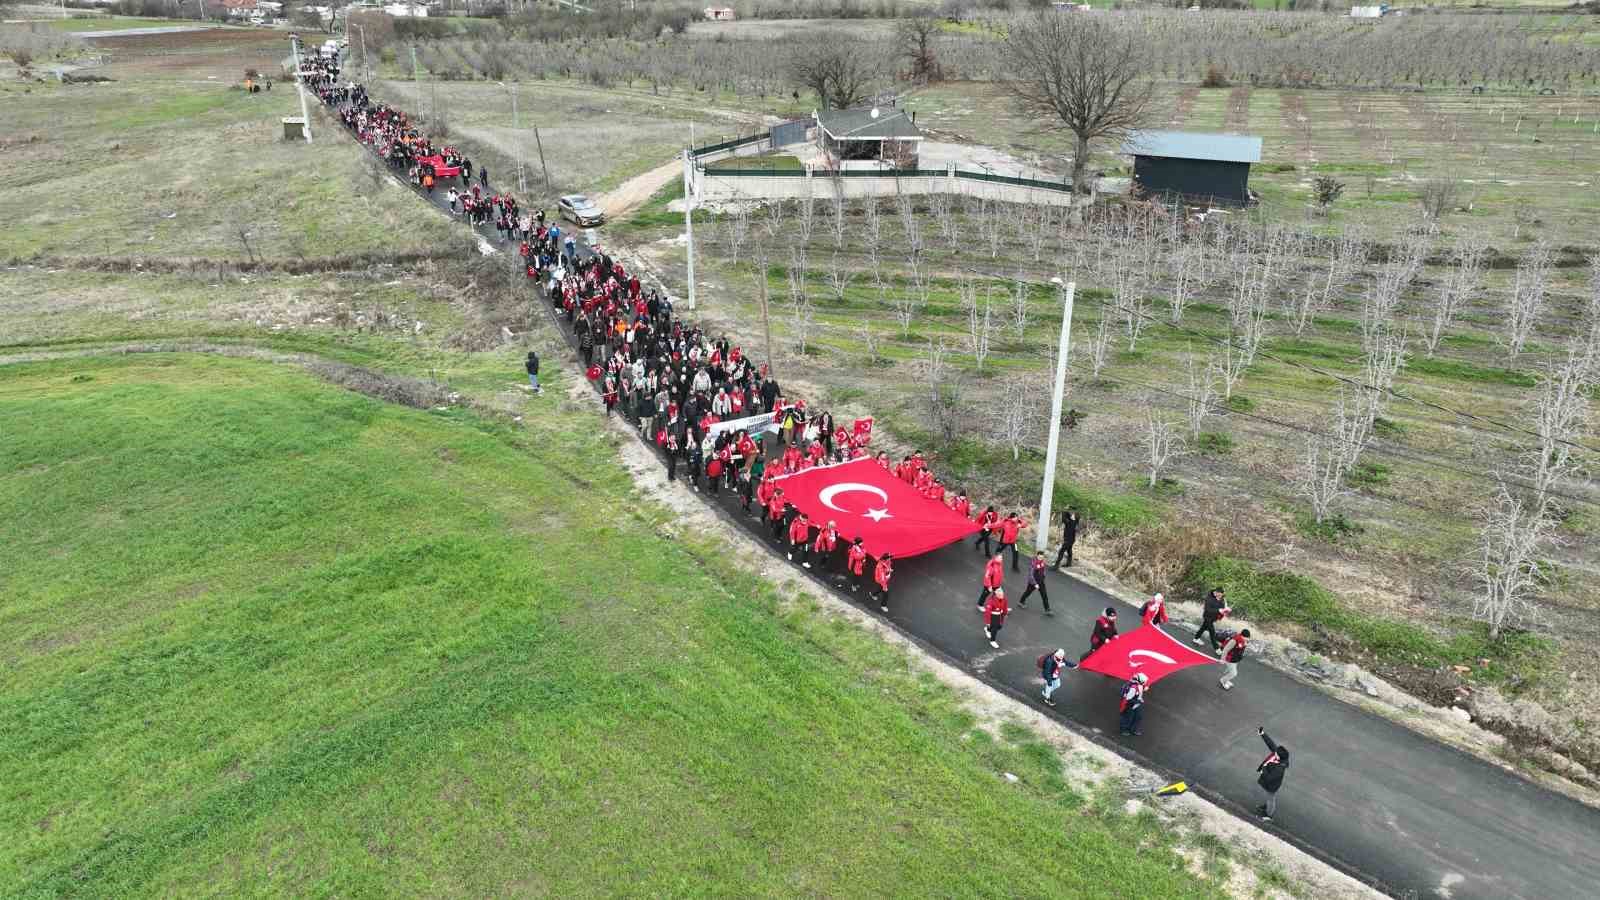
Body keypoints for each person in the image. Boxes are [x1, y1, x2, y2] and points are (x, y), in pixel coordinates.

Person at [1254, 727, 1290, 821]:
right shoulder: (1279, 756)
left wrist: (1263, 770)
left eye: (1276, 753)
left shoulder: (1280, 768)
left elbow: (1270, 778)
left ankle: (1268, 816)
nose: (1275, 752)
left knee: (1271, 798)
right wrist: (1262, 734)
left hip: (1272, 785)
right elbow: (1271, 744)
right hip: (1269, 782)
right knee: (1269, 797)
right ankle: (1266, 807)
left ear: (1279, 756)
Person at [1017, 551, 1052, 615]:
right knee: (1028, 592)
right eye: (1039, 557)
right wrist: (1035, 584)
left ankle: (1047, 609)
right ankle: (1021, 602)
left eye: (1042, 557)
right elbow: (1030, 575)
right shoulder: (1033, 563)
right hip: (1033, 582)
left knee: (1044, 595)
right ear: (1037, 556)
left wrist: (1043, 576)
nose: (1041, 558)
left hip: (1041, 582)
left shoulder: (1042, 562)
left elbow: (1043, 570)